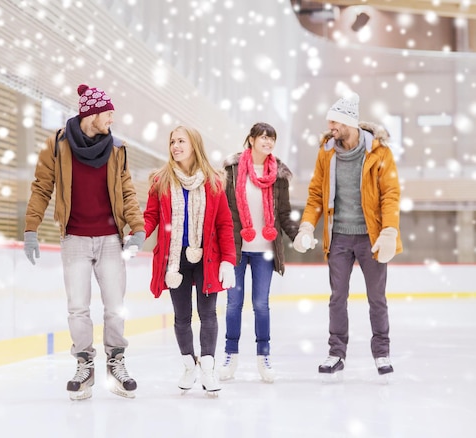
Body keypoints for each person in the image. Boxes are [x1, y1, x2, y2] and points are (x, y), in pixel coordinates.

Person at [23, 84, 146, 400]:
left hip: (110, 239)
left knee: (115, 308)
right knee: (77, 308)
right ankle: (84, 365)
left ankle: (116, 362)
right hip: (75, 237)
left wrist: (138, 227)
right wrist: (31, 229)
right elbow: (41, 188)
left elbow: (127, 190)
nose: (111, 120)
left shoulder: (117, 147)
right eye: (108, 113)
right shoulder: (57, 144)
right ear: (91, 114)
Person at [293, 92, 402, 377]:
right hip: (338, 236)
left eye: (334, 122)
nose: (330, 127)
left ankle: (382, 353)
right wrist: (307, 225)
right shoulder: (326, 153)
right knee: (337, 297)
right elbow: (316, 194)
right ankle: (336, 353)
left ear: (348, 123)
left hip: (371, 237)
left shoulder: (379, 153)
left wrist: (389, 230)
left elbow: (390, 194)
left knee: (377, 298)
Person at [143, 125, 236, 395]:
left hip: (206, 258)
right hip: (175, 261)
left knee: (207, 315)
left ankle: (207, 368)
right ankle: (188, 364)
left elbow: (224, 224)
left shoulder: (214, 182)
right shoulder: (161, 181)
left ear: (194, 145)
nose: (175, 146)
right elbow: (151, 217)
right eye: (172, 141)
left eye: (181, 141)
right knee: (181, 317)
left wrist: (228, 260)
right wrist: (137, 233)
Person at [218, 122, 300, 383]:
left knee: (261, 305)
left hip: (265, 250)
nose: (267, 142)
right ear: (251, 140)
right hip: (237, 250)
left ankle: (263, 357)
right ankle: (230, 355)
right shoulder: (231, 170)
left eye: (271, 138)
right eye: (262, 137)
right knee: (233, 304)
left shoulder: (278, 175)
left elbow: (284, 213)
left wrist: (297, 235)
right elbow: (225, 211)